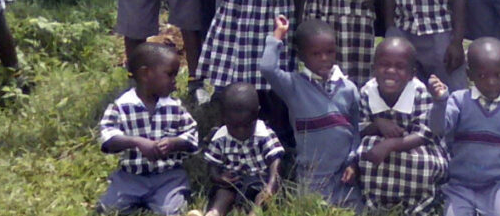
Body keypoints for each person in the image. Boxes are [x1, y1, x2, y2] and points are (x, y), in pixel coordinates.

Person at [427, 38, 500, 216]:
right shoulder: (458, 102)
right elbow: (438, 129)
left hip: (499, 185)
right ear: (469, 75)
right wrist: (439, 102)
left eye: (498, 75)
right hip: (461, 185)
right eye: (482, 76)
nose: (491, 82)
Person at [258, 16, 363, 210]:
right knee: (312, 209)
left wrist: (354, 162)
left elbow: (357, 129)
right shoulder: (294, 86)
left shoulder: (348, 88)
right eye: (316, 54)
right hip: (312, 176)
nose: (324, 58)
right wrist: (278, 36)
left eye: (330, 52)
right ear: (301, 56)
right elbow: (267, 68)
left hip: (344, 174)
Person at [343, 37, 449, 215]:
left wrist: (390, 144)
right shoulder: (367, 92)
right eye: (384, 65)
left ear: (411, 73)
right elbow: (360, 129)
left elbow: (425, 135)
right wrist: (378, 124)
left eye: (400, 67)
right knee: (367, 150)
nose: (391, 71)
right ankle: (376, 202)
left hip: (417, 147)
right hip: (381, 153)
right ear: (374, 68)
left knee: (420, 162)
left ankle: (419, 202)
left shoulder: (419, 92)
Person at [98, 42, 198, 215]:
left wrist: (174, 143)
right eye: (170, 75)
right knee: (108, 209)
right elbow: (107, 137)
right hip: (131, 177)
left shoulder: (175, 107)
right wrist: (136, 142)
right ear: (145, 74)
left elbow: (192, 135)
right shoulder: (122, 106)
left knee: (170, 211)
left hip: (167, 176)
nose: (175, 81)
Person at [190, 83, 284, 216]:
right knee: (223, 194)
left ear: (257, 114)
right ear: (223, 118)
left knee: (262, 197)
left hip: (259, 180)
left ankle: (255, 213)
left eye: (247, 125)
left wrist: (271, 184)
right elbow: (213, 164)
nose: (241, 132)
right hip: (233, 182)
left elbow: (276, 161)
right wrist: (218, 177)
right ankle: (214, 213)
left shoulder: (264, 134)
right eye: (234, 126)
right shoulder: (220, 137)